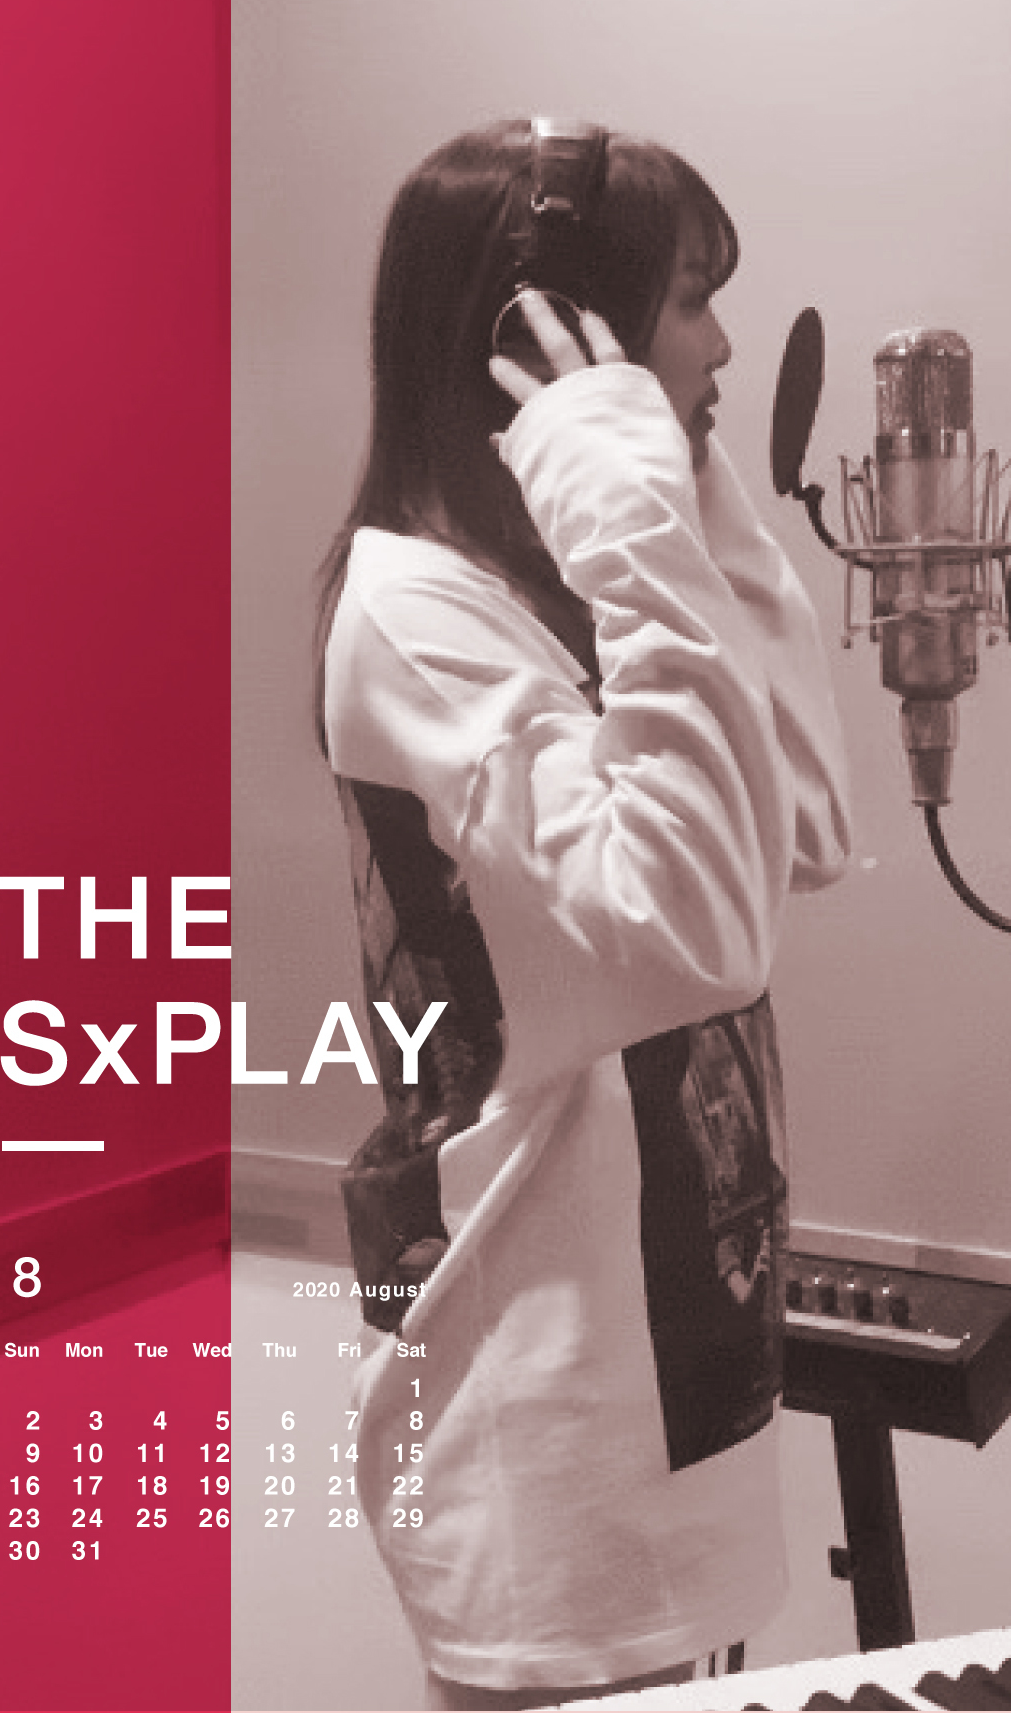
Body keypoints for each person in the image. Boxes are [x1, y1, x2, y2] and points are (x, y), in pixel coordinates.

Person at [315, 119, 851, 1710]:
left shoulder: (567, 589)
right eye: (691, 298)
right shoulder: (415, 614)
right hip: (542, 1447)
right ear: (559, 329)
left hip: (676, 1392)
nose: (723, 344)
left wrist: (671, 489)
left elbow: (804, 823)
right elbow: (694, 928)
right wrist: (625, 498)